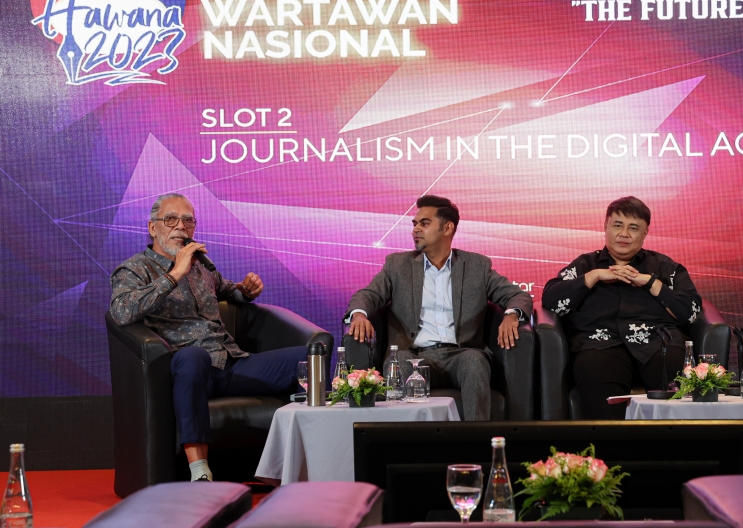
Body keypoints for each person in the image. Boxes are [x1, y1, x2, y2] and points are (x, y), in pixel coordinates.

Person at [109, 193, 307, 482]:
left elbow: (226, 290)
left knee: (307, 358)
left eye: (187, 220)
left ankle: (291, 464)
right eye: (171, 219)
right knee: (193, 356)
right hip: (187, 368)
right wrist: (175, 273)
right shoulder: (135, 269)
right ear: (153, 228)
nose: (180, 226)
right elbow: (121, 312)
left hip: (229, 362)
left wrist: (245, 291)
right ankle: (200, 471)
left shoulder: (201, 266)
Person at [345, 195, 532, 421]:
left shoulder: (476, 266)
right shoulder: (397, 265)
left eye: (424, 224)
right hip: (414, 354)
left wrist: (511, 316)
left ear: (447, 228)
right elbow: (368, 294)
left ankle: (476, 448)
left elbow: (517, 295)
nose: (416, 230)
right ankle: (406, 451)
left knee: (475, 362)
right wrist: (358, 315)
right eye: (414, 224)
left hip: (461, 355)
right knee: (399, 363)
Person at [542, 196, 703, 419]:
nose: (624, 234)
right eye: (618, 225)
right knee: (594, 368)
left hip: (658, 342)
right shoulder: (585, 265)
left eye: (633, 228)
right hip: (600, 344)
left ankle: (673, 452)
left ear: (645, 233)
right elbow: (551, 299)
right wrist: (595, 276)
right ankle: (610, 452)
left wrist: (650, 282)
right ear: (605, 227)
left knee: (675, 366)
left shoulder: (665, 267)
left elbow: (690, 312)